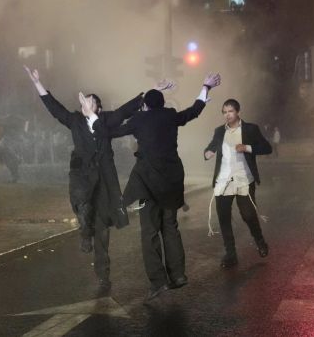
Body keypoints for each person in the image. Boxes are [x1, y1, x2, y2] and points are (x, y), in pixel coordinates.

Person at [90, 73, 221, 302]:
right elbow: (193, 111)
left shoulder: (139, 120)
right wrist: (205, 87)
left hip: (147, 186)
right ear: (163, 104)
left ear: (146, 107)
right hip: (171, 181)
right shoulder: (170, 116)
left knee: (149, 233)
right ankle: (178, 275)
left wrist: (92, 119)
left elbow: (111, 132)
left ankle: (158, 282)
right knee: (170, 228)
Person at [25, 66, 145, 257]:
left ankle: (103, 271)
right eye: (85, 101)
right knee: (81, 203)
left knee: (103, 224)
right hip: (81, 174)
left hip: (104, 177)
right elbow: (55, 108)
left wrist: (150, 94)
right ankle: (85, 233)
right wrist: (37, 83)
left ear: (99, 108)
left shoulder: (105, 120)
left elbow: (124, 111)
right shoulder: (74, 120)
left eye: (91, 102)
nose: (86, 104)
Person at [203, 99, 272, 268]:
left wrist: (247, 148)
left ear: (238, 112)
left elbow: (267, 148)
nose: (227, 115)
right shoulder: (219, 131)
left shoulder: (250, 129)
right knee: (224, 218)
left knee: (248, 214)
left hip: (243, 178)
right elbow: (211, 147)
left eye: (230, 111)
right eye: (224, 112)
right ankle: (230, 254)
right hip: (224, 179)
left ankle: (260, 241)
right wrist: (207, 152)